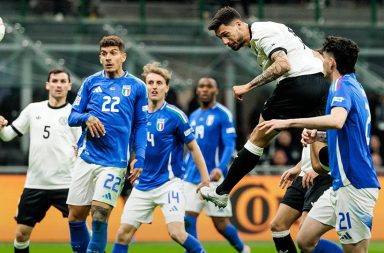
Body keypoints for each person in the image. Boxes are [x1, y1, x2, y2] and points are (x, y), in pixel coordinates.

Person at [259, 36, 380, 253]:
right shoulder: (352, 86)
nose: (321, 62)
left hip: (354, 184)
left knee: (356, 250)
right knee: (305, 240)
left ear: (331, 62)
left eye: (322, 58)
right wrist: (319, 136)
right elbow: (348, 131)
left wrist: (288, 122)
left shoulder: (342, 86)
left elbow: (337, 121)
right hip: (338, 185)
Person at [199, 6, 329, 208]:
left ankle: (222, 191)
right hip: (319, 84)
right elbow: (308, 52)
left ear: (239, 24)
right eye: (220, 39)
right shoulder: (268, 32)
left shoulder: (262, 34)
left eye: (226, 34)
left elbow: (283, 65)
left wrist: (248, 86)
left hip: (297, 82)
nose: (225, 42)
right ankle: (340, 179)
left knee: (258, 137)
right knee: (319, 150)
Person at [112, 62, 210, 253]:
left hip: (169, 184)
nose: (154, 86)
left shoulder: (175, 116)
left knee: (177, 233)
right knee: (123, 234)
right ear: (145, 86)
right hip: (142, 185)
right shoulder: (135, 115)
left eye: (159, 83)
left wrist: (205, 179)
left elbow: (193, 147)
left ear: (166, 87)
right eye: (150, 82)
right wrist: (133, 158)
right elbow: (133, 144)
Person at [66, 35, 148, 253]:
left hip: (115, 162)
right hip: (86, 157)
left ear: (123, 56)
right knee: (75, 217)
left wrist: (139, 156)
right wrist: (87, 118)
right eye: (104, 54)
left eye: (113, 53)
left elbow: (141, 125)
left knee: (99, 215)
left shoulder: (137, 87)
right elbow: (72, 116)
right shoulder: (91, 83)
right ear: (100, 58)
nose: (108, 58)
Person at [0, 69, 81, 253]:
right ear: (47, 85)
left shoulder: (75, 114)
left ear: (69, 86)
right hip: (35, 184)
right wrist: (0, 127)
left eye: (62, 81)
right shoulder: (33, 109)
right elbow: (7, 136)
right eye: (54, 81)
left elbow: (83, 147)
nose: (58, 85)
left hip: (67, 184)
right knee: (21, 234)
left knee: (81, 230)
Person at [183, 77, 250, 253]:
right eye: (201, 86)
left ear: (216, 91)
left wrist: (220, 168)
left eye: (209, 86)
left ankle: (243, 249)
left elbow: (229, 145)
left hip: (214, 177)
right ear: (197, 91)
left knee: (220, 225)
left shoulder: (223, 114)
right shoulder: (193, 116)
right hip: (191, 176)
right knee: (188, 218)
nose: (205, 89)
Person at [270, 144, 342, 253]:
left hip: (323, 175)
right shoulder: (309, 127)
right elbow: (310, 148)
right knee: (278, 225)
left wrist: (320, 168)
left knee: (306, 236)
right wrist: (298, 167)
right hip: (303, 175)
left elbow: (339, 144)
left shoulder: (334, 126)